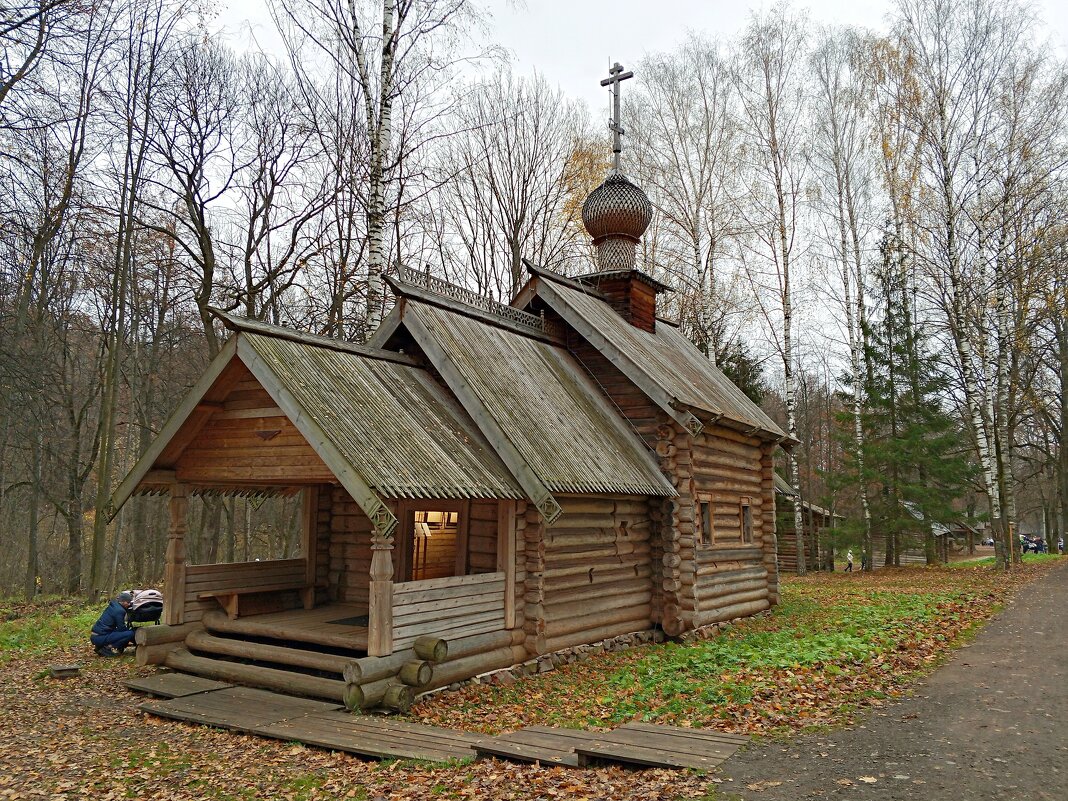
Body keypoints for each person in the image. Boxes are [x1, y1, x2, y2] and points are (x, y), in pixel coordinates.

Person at [90, 591, 136, 657]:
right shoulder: (119, 611)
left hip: (96, 635)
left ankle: (100, 647)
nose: (129, 604)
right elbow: (121, 628)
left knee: (124, 633)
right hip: (100, 637)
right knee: (130, 634)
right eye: (128, 602)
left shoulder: (114, 606)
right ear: (122, 601)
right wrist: (132, 632)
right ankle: (107, 648)